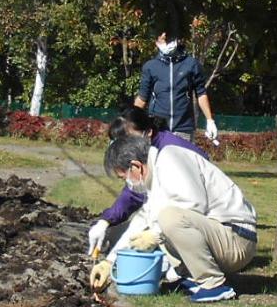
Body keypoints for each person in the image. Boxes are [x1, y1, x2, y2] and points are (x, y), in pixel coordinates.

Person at [103, 131, 255, 303]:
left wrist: (155, 235)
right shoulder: (155, 172)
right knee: (159, 222)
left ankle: (213, 285)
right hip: (221, 235)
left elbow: (193, 205)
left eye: (124, 178)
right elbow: (143, 218)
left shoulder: (170, 160)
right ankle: (190, 276)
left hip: (237, 237)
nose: (127, 183)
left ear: (136, 166)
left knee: (169, 219)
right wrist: (109, 262)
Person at [87, 109, 210, 256]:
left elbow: (190, 205)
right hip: (177, 216)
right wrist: (105, 221)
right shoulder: (144, 155)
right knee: (116, 237)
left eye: (128, 140)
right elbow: (133, 194)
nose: (125, 147)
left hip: (203, 220)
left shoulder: (170, 153)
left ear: (148, 132)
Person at [134, 28, 219, 143]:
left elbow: (201, 94)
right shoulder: (150, 67)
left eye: (169, 39)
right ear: (156, 41)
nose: (167, 42)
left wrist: (210, 121)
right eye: (163, 39)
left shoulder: (191, 64)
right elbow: (142, 98)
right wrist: (130, 124)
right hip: (158, 129)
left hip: (183, 129)